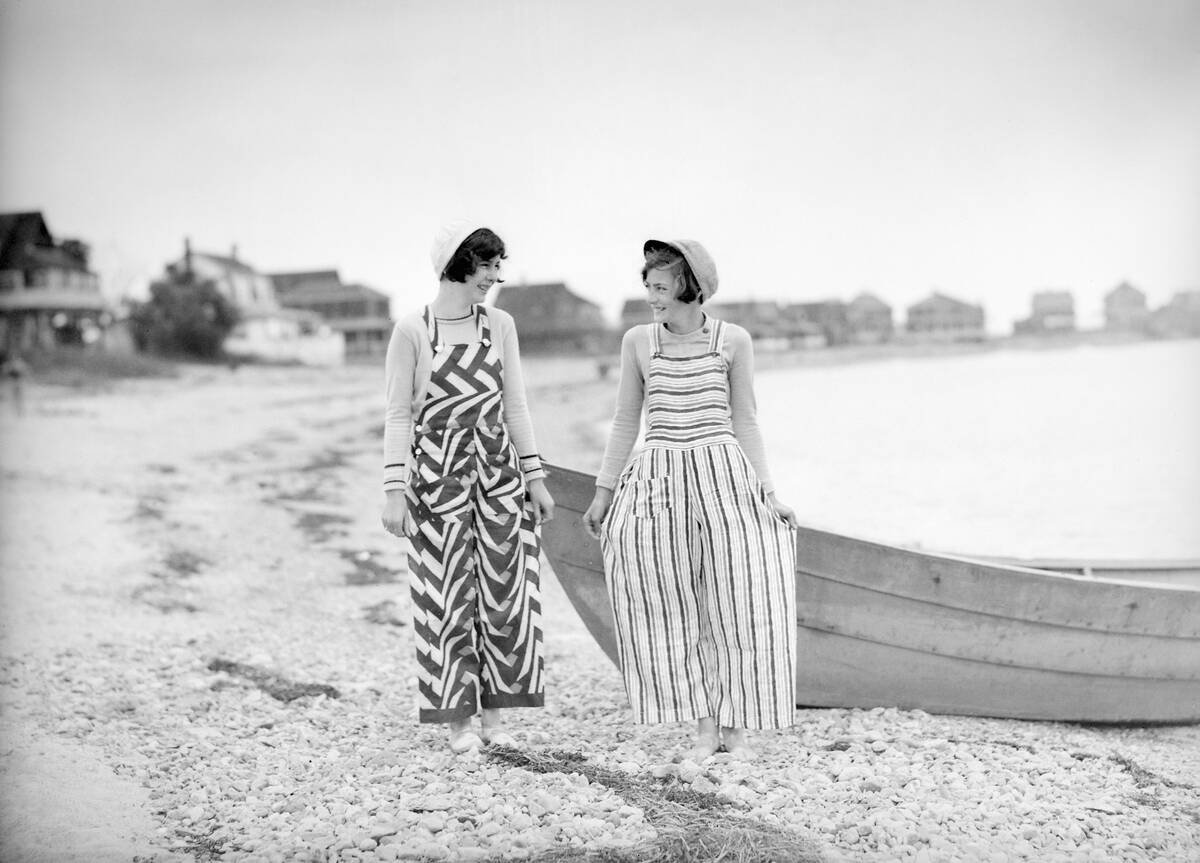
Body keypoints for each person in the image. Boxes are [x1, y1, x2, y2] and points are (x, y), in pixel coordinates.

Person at [582, 239, 798, 761]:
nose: (651, 297)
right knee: (669, 604)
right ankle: (704, 728)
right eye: (648, 286)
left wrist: (771, 494)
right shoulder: (638, 341)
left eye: (660, 287)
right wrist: (603, 492)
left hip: (723, 477)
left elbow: (745, 419)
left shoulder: (734, 340)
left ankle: (737, 727)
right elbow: (625, 420)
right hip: (658, 480)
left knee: (739, 602)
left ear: (688, 285)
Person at [381, 221, 555, 753]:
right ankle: (459, 722)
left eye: (497, 266)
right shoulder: (412, 330)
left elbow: (515, 405)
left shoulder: (499, 325)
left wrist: (535, 477)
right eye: (487, 265)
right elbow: (396, 415)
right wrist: (394, 491)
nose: (495, 276)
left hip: (497, 470)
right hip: (436, 473)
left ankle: (497, 715)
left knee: (507, 588)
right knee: (446, 593)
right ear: (459, 263)